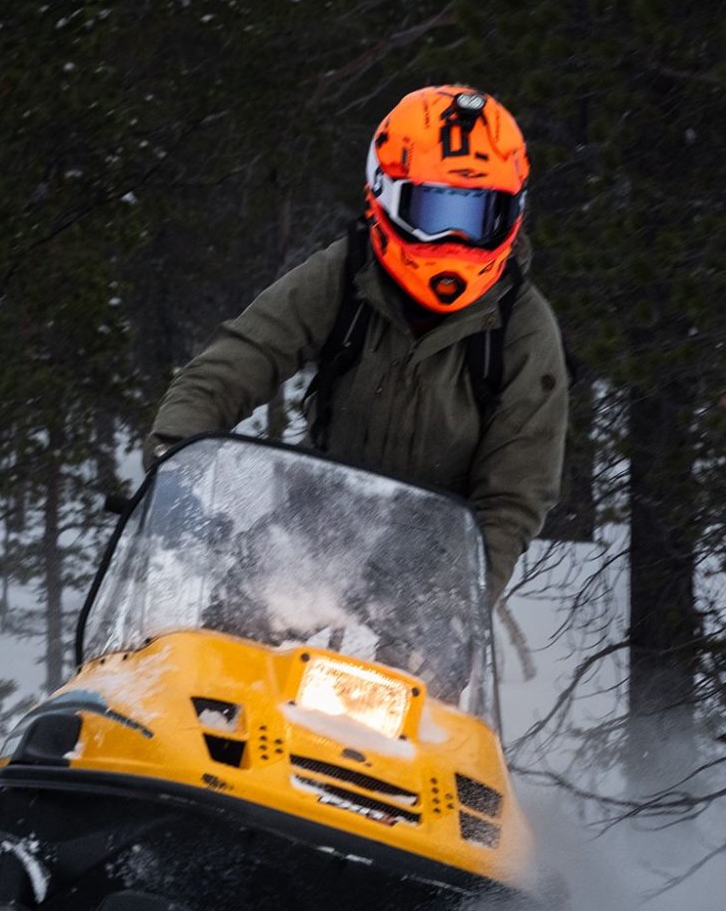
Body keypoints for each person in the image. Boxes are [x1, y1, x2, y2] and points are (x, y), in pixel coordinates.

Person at [147, 85, 568, 599]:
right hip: (305, 542)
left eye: (478, 217)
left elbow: (512, 499)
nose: (454, 239)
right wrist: (175, 466)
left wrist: (458, 601)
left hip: (429, 576)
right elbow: (236, 362)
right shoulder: (345, 275)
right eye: (434, 213)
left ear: (510, 216)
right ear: (385, 196)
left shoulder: (522, 329)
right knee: (205, 631)